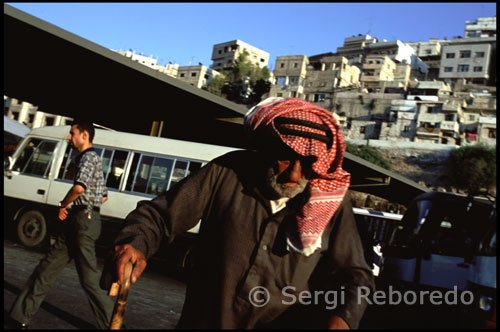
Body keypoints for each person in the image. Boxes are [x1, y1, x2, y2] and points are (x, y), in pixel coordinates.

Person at [102, 97, 375, 329]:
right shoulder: (226, 173)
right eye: (284, 158)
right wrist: (135, 243)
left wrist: (344, 318)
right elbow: (158, 217)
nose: (293, 174)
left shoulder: (332, 203)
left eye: (306, 164)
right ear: (265, 148)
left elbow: (356, 274)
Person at [8, 120, 115, 329]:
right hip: (82, 219)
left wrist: (63, 204)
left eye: (72, 133)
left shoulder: (87, 157)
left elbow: (79, 188)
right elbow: (103, 196)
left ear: (84, 135)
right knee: (46, 268)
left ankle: (115, 326)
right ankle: (18, 317)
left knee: (89, 280)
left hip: (83, 221)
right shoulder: (94, 159)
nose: (69, 137)